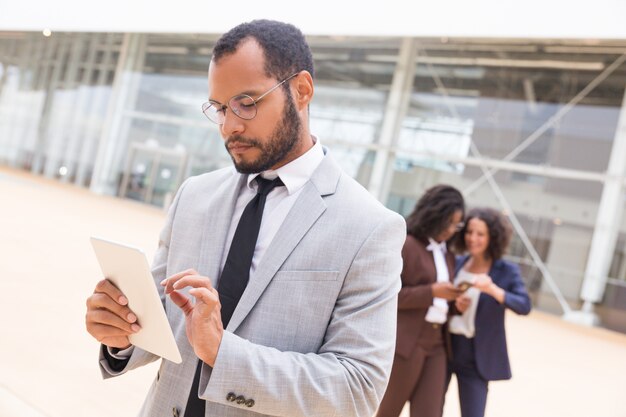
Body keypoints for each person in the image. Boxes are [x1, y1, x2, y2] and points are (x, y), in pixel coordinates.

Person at [84, 19, 406, 417]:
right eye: (219, 108)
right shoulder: (195, 196)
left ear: (301, 90)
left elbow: (357, 389)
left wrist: (223, 354)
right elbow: (162, 320)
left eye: (247, 103)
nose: (229, 126)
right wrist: (121, 332)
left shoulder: (369, 227)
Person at [376, 184, 465, 417]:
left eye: (456, 224)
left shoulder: (449, 254)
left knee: (430, 412)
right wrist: (432, 292)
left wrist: (456, 305)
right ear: (434, 215)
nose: (451, 229)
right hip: (407, 344)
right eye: (448, 222)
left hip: (437, 345)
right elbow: (389, 296)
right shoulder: (407, 245)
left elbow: (442, 299)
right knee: (388, 410)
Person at [446, 207, 532, 417]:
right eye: (469, 232)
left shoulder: (506, 271)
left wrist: (493, 290)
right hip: (444, 347)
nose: (472, 238)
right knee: (430, 409)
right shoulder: (455, 263)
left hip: (476, 356)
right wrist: (455, 306)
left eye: (480, 234)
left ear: (493, 237)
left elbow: (524, 305)